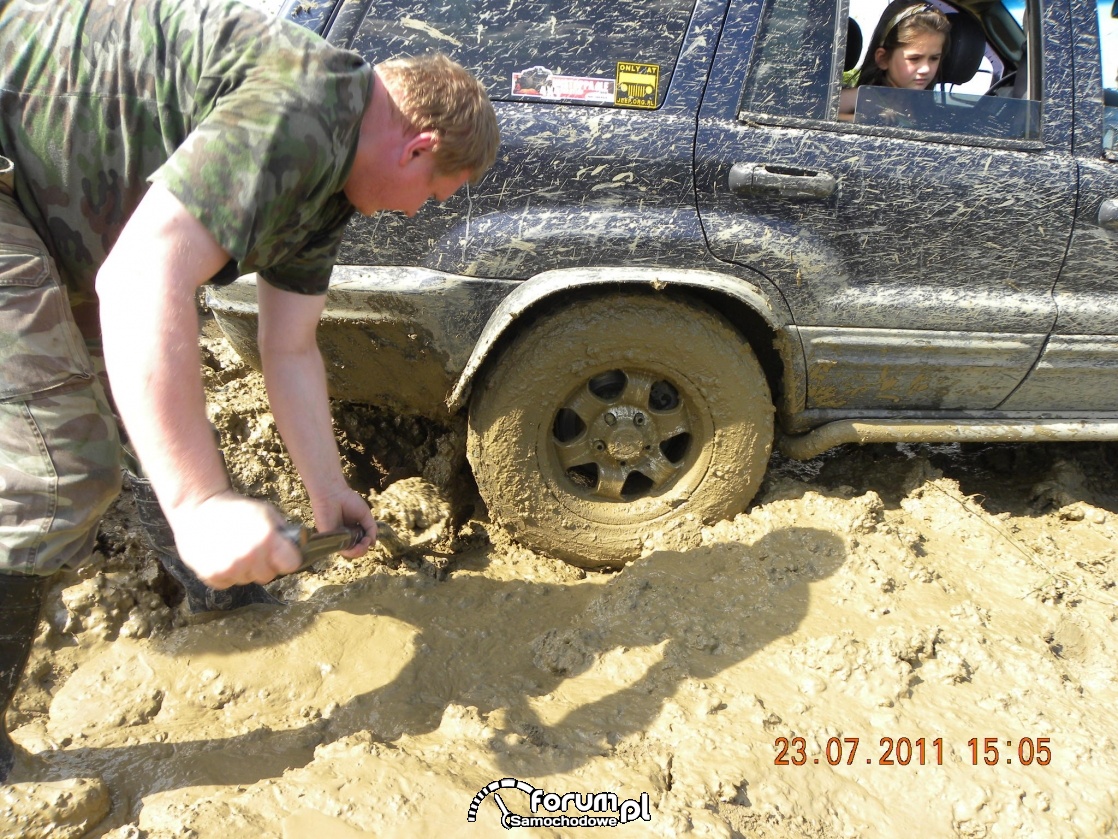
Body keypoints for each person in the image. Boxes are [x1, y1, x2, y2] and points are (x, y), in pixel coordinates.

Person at [0, 0, 500, 782]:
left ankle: (212, 592)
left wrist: (327, 488)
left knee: (136, 408)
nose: (418, 212)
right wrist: (199, 503)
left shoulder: (338, 186)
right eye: (436, 194)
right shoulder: (305, 108)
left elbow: (288, 344)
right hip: (14, 187)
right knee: (58, 467)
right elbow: (140, 279)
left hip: (58, 215)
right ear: (419, 147)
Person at [839, 1, 952, 119]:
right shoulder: (865, 97)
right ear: (883, 59)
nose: (926, 68)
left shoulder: (929, 112)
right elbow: (819, 112)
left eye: (934, 58)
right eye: (914, 59)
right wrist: (861, 120)